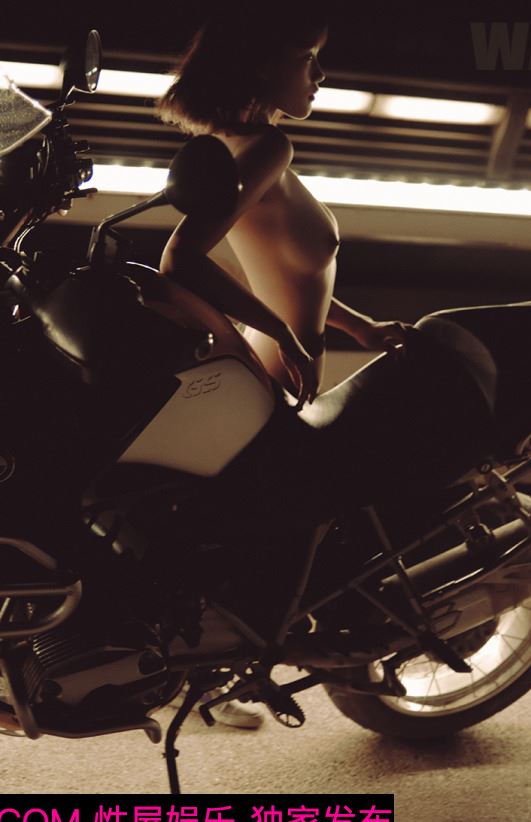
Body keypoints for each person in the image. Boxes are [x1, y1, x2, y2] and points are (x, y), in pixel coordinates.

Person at [154, 10, 408, 728]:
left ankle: (205, 672)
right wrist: (282, 335)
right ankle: (209, 679)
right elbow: (181, 259)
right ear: (264, 66)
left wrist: (359, 327)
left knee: (253, 526)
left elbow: (287, 269)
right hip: (272, 371)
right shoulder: (269, 146)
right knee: (294, 525)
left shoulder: (232, 145)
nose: (320, 75)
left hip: (269, 361)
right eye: (308, 58)